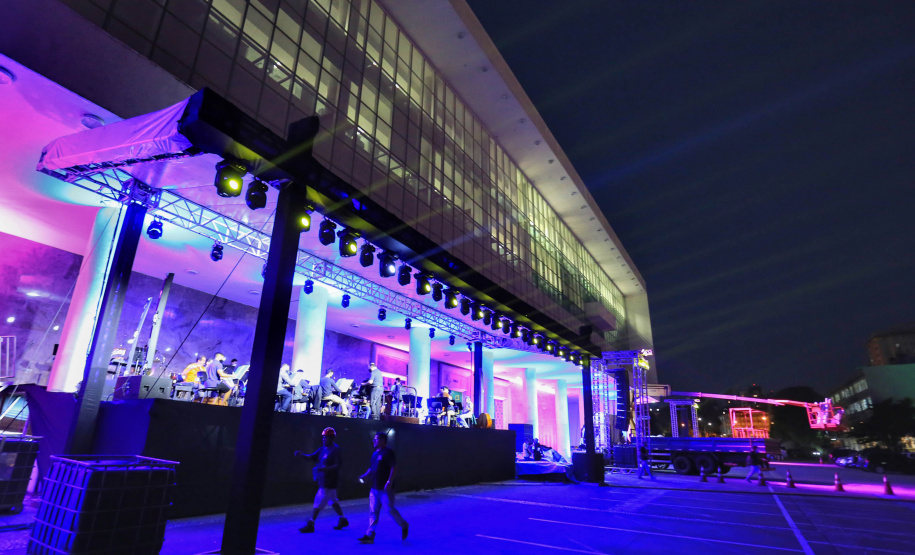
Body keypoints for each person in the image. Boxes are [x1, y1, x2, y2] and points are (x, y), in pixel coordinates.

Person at [357, 432, 408, 544]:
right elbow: (372, 468)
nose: (374, 441)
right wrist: (365, 475)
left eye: (376, 439)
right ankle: (370, 535)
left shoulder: (388, 452)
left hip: (385, 490)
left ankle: (404, 525)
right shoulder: (375, 453)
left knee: (390, 510)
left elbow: (394, 467)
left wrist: (390, 481)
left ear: (383, 440)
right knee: (373, 512)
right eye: (374, 439)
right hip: (374, 488)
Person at [295, 427, 348, 533]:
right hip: (323, 481)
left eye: (326, 437)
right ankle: (342, 519)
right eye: (323, 437)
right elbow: (312, 457)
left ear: (332, 438)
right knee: (333, 500)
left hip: (329, 482)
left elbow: (337, 465)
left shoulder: (335, 450)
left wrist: (323, 469)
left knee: (318, 501)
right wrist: (302, 455)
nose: (324, 439)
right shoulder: (322, 449)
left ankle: (311, 523)